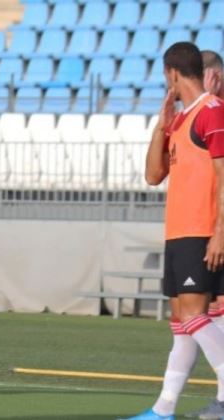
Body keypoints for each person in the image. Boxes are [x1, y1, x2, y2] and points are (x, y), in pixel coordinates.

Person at [124, 42, 224, 420]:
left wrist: (220, 231)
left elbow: (222, 174)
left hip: (201, 228)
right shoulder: (181, 119)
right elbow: (153, 175)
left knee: (195, 314)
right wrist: (161, 124)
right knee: (183, 320)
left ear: (171, 73)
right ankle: (163, 409)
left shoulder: (212, 112)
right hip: (179, 230)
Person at [184, 49, 224, 420]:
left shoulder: (214, 114)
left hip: (216, 227)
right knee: (211, 310)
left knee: (197, 311)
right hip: (210, 226)